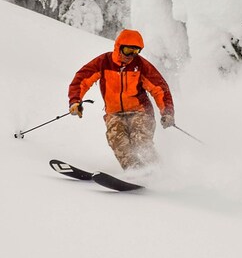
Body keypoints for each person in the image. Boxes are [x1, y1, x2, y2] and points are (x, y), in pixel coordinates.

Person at [68, 29, 174, 171]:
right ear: (118, 47)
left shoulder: (141, 66)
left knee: (140, 141)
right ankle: (135, 172)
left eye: (136, 52)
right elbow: (81, 79)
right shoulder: (104, 62)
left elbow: (160, 89)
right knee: (117, 140)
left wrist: (167, 112)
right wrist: (75, 101)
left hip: (140, 111)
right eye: (128, 50)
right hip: (114, 113)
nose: (131, 56)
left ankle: (158, 170)